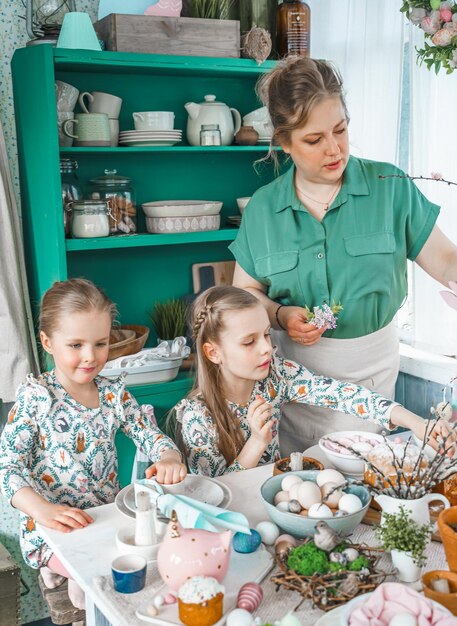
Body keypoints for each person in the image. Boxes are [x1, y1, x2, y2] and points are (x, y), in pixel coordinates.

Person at [230, 55, 457, 453]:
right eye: (314, 140)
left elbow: (444, 259)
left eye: (340, 130)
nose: (334, 149)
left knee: (362, 477)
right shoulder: (263, 210)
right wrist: (280, 315)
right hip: (294, 378)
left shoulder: (390, 186)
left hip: (371, 374)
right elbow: (243, 297)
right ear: (284, 142)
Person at [0, 278, 186, 610]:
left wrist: (168, 454)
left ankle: (68, 576)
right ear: (47, 342)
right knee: (90, 591)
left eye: (100, 344)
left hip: (102, 517)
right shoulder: (37, 397)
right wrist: (41, 510)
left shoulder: (113, 392)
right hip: (53, 525)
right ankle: (55, 571)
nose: (90, 357)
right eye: (75, 345)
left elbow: (147, 432)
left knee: (144, 559)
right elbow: (7, 467)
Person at [172, 286, 450, 478]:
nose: (266, 348)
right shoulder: (197, 417)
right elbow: (213, 494)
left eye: (267, 335)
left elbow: (342, 395)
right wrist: (257, 442)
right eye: (249, 342)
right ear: (213, 352)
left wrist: (416, 422)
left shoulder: (276, 377)